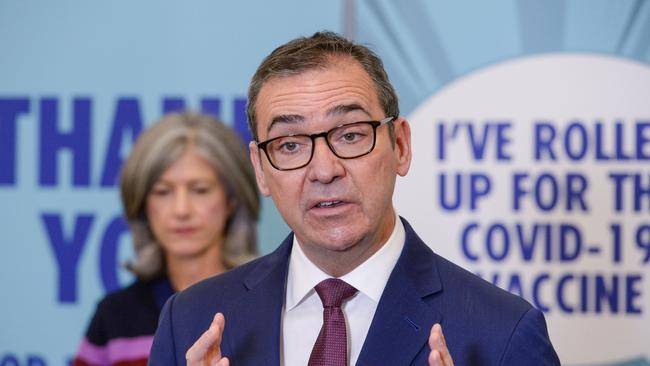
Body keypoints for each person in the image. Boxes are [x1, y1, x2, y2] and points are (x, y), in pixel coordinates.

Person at [149, 32, 561, 366]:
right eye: (290, 144)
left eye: (350, 135)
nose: (324, 170)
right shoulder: (188, 321)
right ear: (260, 169)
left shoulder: (501, 333)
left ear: (399, 145)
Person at [73, 112, 260, 366]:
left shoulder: (272, 301)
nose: (181, 210)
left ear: (232, 200)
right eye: (162, 192)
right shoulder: (114, 317)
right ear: (142, 204)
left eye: (199, 190)